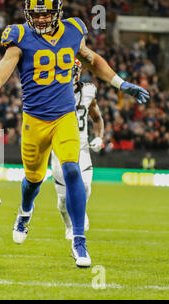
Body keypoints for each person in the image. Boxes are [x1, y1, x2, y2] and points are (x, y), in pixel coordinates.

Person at [0, 0, 149, 267]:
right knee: (33, 180)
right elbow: (3, 70)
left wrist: (121, 83)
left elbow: (92, 60)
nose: (40, 19)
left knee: (72, 170)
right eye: (35, 15)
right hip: (34, 120)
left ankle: (79, 240)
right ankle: (25, 211)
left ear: (58, 13)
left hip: (64, 117)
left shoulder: (72, 31)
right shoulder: (20, 35)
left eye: (46, 13)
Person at [50, 59, 104, 240]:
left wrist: (98, 137)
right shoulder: (49, 91)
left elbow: (97, 118)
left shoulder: (88, 91)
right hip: (59, 148)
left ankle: (80, 213)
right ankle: (68, 224)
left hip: (81, 147)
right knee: (64, 199)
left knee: (86, 185)